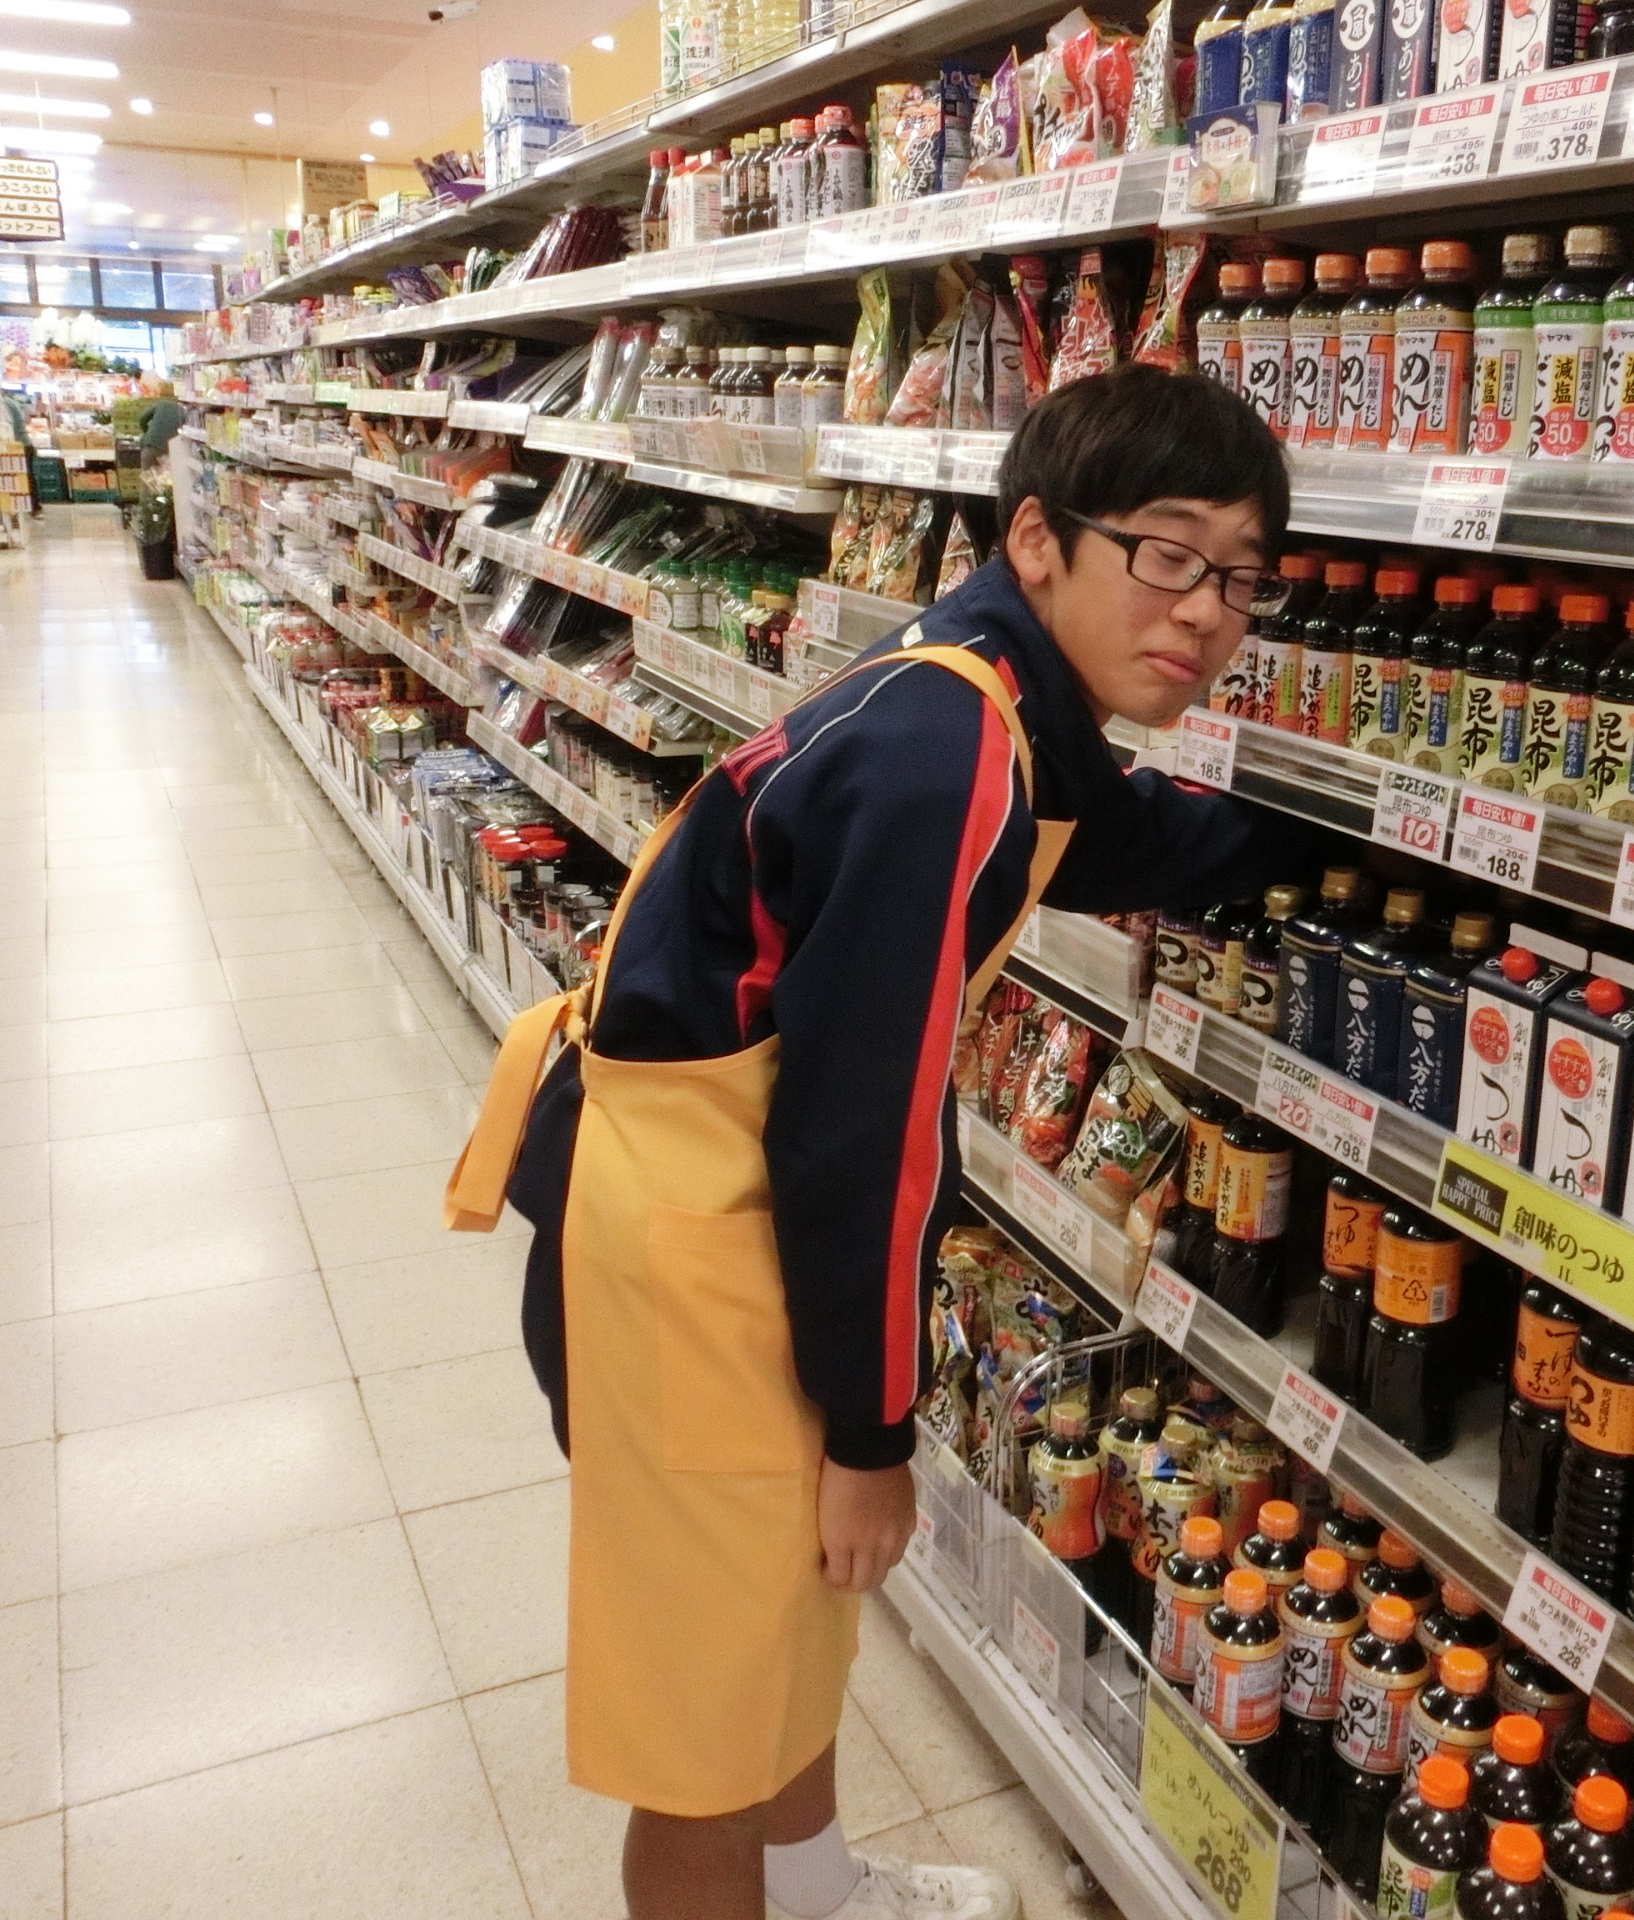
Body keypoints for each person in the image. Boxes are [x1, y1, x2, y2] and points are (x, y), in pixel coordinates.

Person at [445, 362, 1328, 1920]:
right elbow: (863, 1132)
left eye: (1241, 578)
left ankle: (820, 1893)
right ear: (1040, 538)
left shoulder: (988, 686)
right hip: (698, 1251)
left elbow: (1121, 837)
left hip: (696, 1198)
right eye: (1168, 553)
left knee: (786, 1617)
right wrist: (871, 1439)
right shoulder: (947, 756)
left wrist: (1363, 823)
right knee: (703, 1732)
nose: (1205, 611)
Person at [137, 378, 184, 457]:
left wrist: (147, 431)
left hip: (150, 445)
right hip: (168, 450)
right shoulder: (183, 411)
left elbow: (142, 419)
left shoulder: (161, 404)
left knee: (148, 464)